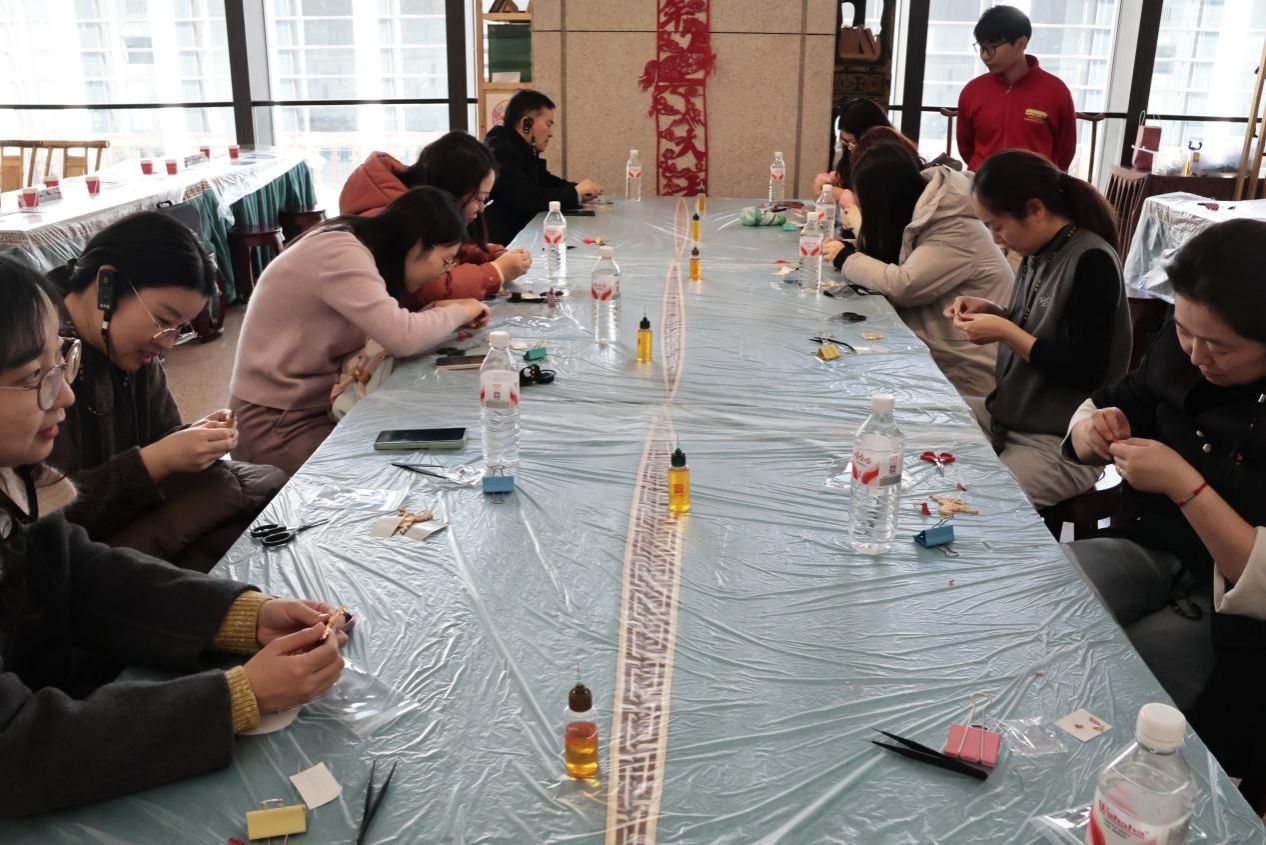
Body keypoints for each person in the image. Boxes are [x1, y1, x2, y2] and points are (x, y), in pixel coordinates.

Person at [0, 254, 348, 817]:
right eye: (32, 378)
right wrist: (237, 696)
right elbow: (16, 749)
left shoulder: (14, 479)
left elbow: (82, 573)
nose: (63, 395)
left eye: (59, 362)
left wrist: (243, 616)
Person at [1063, 219, 1266, 811]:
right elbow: (1107, 405)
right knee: (1045, 605)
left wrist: (1184, 485)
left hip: (1231, 608)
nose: (1197, 356)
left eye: (1220, 346)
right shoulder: (1179, 353)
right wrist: (1093, 431)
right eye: (1183, 330)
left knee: (1117, 685)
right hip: (1146, 545)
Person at [46, 212, 287, 573]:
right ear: (106, 285)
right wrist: (155, 461)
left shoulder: (130, 350)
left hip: (125, 517)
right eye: (162, 321)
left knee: (266, 487)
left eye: (179, 329)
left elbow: (162, 434)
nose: (168, 344)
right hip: (72, 550)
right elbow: (47, 514)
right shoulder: (41, 359)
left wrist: (193, 440)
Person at [230, 187, 490, 476]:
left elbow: (389, 327)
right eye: (446, 261)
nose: (445, 271)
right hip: (276, 422)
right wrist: (460, 311)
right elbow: (403, 337)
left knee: (415, 453)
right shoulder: (341, 253)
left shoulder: (356, 246)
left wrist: (437, 312)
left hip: (313, 406)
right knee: (388, 476)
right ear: (418, 245)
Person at [944, 149, 1130, 509]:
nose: (995, 239)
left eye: (997, 226)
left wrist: (1004, 330)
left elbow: (1086, 369)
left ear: (1035, 209)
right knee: (925, 422)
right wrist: (994, 313)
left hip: (1062, 438)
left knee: (974, 508)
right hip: (1011, 417)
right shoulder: (1038, 251)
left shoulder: (1091, 260)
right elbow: (1045, 331)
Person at [821, 142, 1012, 400]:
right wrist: (852, 249)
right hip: (939, 353)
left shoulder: (954, 226)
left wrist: (847, 258)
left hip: (968, 377)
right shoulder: (925, 212)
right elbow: (902, 258)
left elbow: (905, 286)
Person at [338, 131, 533, 303]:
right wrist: (495, 272)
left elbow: (444, 250)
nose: (481, 209)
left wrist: (488, 254)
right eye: (479, 199)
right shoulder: (395, 217)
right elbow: (421, 290)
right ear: (453, 189)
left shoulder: (415, 204)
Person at [956, 5, 1077, 172]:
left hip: (1037, 184)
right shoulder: (972, 91)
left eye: (992, 48)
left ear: (1021, 44)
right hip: (982, 183)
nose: (984, 56)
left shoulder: (1056, 91)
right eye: (982, 48)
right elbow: (966, 147)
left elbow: (1065, 152)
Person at [483, 89, 602, 244]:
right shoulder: (501, 152)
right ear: (526, 124)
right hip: (501, 245)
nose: (551, 133)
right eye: (548, 124)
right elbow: (530, 199)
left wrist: (579, 189)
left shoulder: (519, 149)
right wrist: (575, 193)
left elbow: (545, 181)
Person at [813, 99, 922, 204]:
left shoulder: (888, 158)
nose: (851, 150)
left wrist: (842, 195)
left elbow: (878, 206)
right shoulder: (865, 153)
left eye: (853, 143)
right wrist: (836, 180)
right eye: (847, 143)